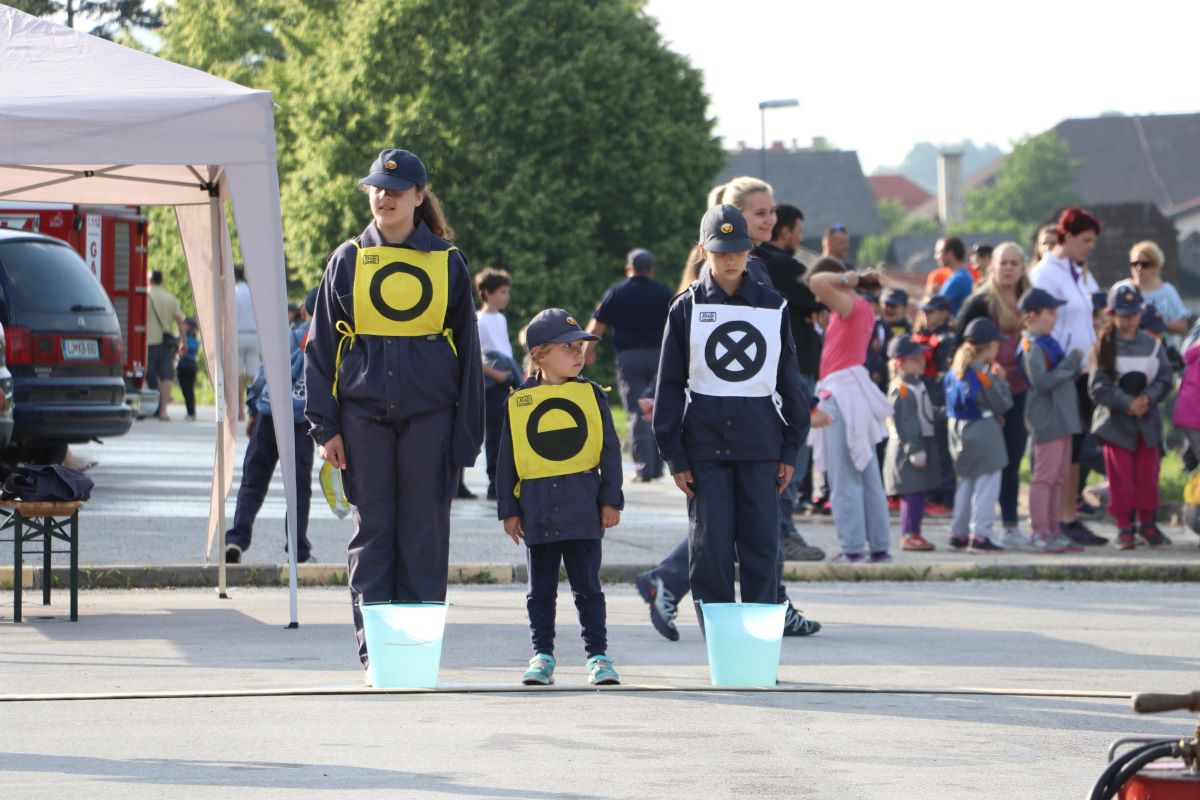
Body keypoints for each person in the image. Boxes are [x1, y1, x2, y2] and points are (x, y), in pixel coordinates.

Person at [304, 148, 484, 676]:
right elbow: (320, 351)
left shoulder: (448, 261)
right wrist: (325, 427)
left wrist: (467, 437)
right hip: (362, 421)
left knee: (424, 536)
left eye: (397, 190)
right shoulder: (347, 259)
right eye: (377, 188)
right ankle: (378, 658)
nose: (384, 197)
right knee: (373, 534)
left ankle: (415, 657)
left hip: (431, 419)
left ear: (419, 197)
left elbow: (469, 355)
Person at [653, 204, 813, 626]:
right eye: (721, 251)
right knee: (710, 554)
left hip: (762, 447)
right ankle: (723, 650)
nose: (730, 259)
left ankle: (759, 649)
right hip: (705, 450)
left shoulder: (773, 305)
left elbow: (789, 381)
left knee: (763, 551)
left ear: (749, 252)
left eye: (738, 250)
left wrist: (790, 448)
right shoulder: (685, 307)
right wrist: (675, 456)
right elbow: (669, 385)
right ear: (703, 250)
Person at [496, 309, 623, 686]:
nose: (578, 353)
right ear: (540, 355)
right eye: (568, 347)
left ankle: (598, 656)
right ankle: (542, 655)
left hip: (583, 508)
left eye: (580, 346)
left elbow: (610, 449)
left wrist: (610, 499)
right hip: (537, 511)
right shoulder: (518, 401)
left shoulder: (591, 394)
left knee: (588, 589)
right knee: (540, 591)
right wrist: (508, 509)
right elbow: (506, 459)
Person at [1029, 208, 1106, 546]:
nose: (1091, 246)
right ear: (1068, 236)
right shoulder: (1046, 274)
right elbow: (1044, 326)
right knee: (1062, 451)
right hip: (1062, 373)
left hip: (1082, 371)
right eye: (1086, 240)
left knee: (1075, 447)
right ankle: (1056, 520)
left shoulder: (1075, 272)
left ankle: (1068, 515)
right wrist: (1064, 364)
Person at [225, 287, 318, 565]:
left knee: (253, 479)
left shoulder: (289, 337)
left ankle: (236, 538)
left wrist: (253, 410)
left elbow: (264, 374)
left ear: (304, 312)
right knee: (298, 488)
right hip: (302, 422)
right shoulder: (331, 341)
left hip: (270, 414)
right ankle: (298, 549)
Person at [808, 259, 893, 563]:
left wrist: (847, 278)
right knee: (867, 474)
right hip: (852, 392)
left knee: (844, 476)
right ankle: (879, 546)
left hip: (841, 395)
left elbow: (817, 281)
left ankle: (853, 548)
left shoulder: (850, 305)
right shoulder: (861, 308)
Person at [754, 203, 825, 561]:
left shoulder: (763, 264)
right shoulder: (779, 264)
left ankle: (777, 532)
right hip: (792, 371)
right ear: (786, 232)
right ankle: (783, 532)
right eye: (798, 231)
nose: (800, 238)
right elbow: (821, 292)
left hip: (785, 369)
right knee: (792, 455)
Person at [954, 242, 1031, 546]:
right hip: (985, 394)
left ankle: (1010, 524)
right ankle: (972, 529)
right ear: (993, 267)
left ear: (1023, 267)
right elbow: (959, 344)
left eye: (1014, 263)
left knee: (1012, 459)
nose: (1008, 268)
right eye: (1003, 263)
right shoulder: (980, 302)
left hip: (1018, 389)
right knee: (984, 464)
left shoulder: (1028, 299)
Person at [1089, 285, 1172, 550]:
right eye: (1124, 314)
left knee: (1148, 475)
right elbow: (1098, 386)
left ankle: (1147, 523)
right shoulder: (1104, 346)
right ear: (1112, 314)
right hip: (1116, 424)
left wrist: (1147, 398)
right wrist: (1126, 403)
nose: (1130, 319)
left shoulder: (1152, 345)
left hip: (1146, 422)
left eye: (1135, 313)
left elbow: (1164, 378)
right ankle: (1124, 527)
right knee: (1121, 477)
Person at [584, 248, 673, 483]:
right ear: (651, 270)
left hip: (629, 358)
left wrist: (586, 352)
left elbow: (596, 326)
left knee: (637, 411)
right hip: (660, 357)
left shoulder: (617, 292)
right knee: (657, 408)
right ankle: (658, 467)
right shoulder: (663, 292)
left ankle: (644, 469)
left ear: (628, 269)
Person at [1019, 288, 1085, 554]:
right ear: (1032, 315)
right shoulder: (1031, 345)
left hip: (1062, 417)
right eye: (1050, 312)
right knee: (1044, 478)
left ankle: (1054, 529)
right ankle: (1040, 531)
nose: (1055, 317)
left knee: (1059, 478)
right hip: (1047, 418)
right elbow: (1041, 381)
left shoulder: (1048, 341)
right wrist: (1071, 363)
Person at [945, 318, 1013, 552]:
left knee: (966, 481)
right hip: (982, 430)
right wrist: (1001, 381)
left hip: (957, 430)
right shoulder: (983, 374)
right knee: (987, 482)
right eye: (996, 344)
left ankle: (959, 532)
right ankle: (982, 534)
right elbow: (1003, 403)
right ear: (989, 346)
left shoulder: (954, 372)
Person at [884, 334, 941, 552]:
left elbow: (924, 411)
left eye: (922, 357)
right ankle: (909, 534)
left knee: (918, 491)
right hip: (908, 447)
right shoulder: (901, 389)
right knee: (912, 492)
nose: (922, 362)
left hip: (919, 443)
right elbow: (906, 422)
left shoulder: (917, 384)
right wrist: (914, 449)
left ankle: (914, 532)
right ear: (899, 362)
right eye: (915, 359)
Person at [476, 267, 519, 500]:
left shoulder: (501, 318)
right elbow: (475, 356)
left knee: (510, 432)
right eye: (502, 292)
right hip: (493, 384)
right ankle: (494, 483)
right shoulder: (479, 320)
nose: (506, 296)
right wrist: (496, 375)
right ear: (487, 293)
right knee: (495, 434)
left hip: (508, 377)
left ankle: (508, 480)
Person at [911, 295, 956, 514]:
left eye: (930, 311)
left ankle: (947, 497)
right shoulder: (927, 336)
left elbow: (947, 373)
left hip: (940, 397)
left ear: (944, 313)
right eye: (924, 311)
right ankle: (934, 493)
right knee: (930, 446)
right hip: (927, 395)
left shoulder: (948, 339)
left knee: (942, 449)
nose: (925, 315)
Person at [1114, 241, 1189, 335]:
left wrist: (1158, 323)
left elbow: (1183, 327)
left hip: (1160, 343)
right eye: (1135, 263)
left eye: (1145, 264)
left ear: (1157, 267)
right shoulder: (1121, 289)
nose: (1138, 268)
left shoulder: (1167, 291)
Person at [145, 269, 185, 421]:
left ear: (149, 280)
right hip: (166, 344)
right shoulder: (171, 298)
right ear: (161, 281)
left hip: (147, 344)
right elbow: (180, 321)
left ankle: (150, 408)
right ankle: (163, 411)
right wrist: (183, 341)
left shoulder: (144, 296)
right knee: (166, 375)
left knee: (148, 375)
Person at [234, 265, 260, 422]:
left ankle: (239, 411)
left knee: (237, 375)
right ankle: (256, 409)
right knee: (254, 375)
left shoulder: (232, 291)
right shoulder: (252, 291)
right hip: (254, 334)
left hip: (236, 335)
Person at [935, 237, 974, 316]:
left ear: (950, 253)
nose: (936, 257)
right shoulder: (963, 276)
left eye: (939, 252)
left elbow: (937, 308)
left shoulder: (958, 279)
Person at [177, 316, 200, 422]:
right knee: (186, 391)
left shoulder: (190, 338)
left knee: (188, 390)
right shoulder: (184, 337)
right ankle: (190, 412)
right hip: (184, 365)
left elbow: (186, 350)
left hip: (188, 365)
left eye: (185, 324)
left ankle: (191, 412)